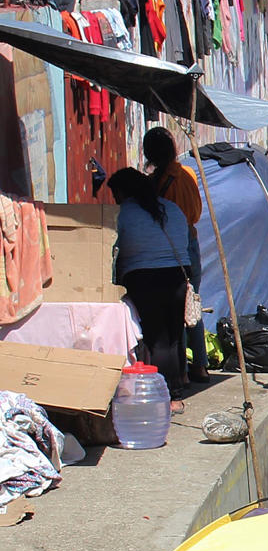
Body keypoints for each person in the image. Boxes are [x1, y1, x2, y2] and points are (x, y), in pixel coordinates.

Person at [107, 166, 193, 411]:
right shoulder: (172, 209)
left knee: (156, 339)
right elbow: (184, 241)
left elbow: (116, 248)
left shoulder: (123, 214)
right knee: (174, 336)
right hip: (177, 275)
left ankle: (165, 397)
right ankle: (174, 392)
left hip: (143, 277)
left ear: (123, 192)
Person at [142, 128, 208, 384]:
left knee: (175, 309)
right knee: (193, 304)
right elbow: (197, 210)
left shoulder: (157, 184)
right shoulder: (189, 173)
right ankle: (200, 366)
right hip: (192, 241)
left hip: (170, 247)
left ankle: (180, 371)